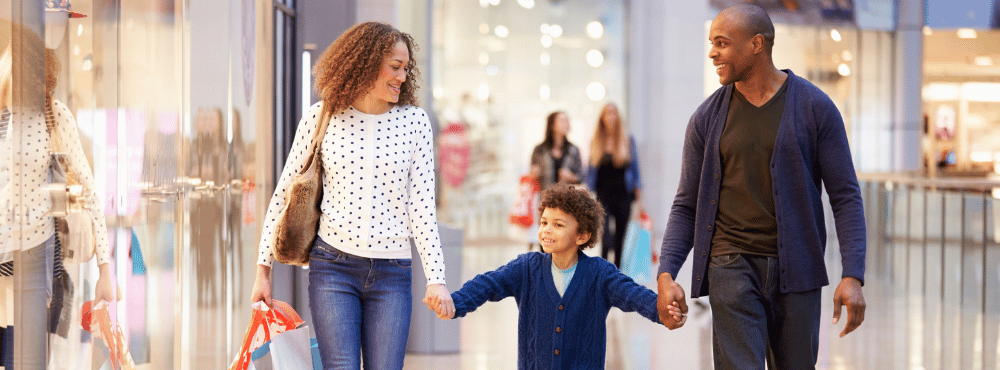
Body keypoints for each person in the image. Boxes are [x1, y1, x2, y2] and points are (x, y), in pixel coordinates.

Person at [655, 4, 867, 369]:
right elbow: (687, 204)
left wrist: (853, 275)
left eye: (722, 43)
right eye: (711, 43)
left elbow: (845, 196)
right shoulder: (706, 119)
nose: (712, 53)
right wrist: (666, 272)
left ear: (756, 44)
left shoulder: (815, 107)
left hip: (798, 268)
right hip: (730, 263)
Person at [250, 22, 454, 369]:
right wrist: (263, 271)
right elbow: (284, 193)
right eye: (394, 66)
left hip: (393, 271)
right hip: (333, 268)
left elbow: (421, 206)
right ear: (365, 62)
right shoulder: (321, 116)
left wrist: (437, 279)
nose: (402, 76)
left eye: (406, 68)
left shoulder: (415, 122)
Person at [429, 184, 674, 369]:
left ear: (582, 236)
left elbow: (634, 295)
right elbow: (488, 283)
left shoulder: (600, 274)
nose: (546, 229)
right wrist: (455, 302)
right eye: (544, 222)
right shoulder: (527, 268)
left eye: (558, 225)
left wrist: (664, 310)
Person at [0, 22, 113, 369]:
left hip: (34, 262)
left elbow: (90, 191)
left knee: (27, 360)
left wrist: (105, 270)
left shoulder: (52, 113)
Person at [587, 102, 643, 268]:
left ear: (618, 117)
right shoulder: (596, 141)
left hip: (623, 194)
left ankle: (617, 272)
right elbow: (590, 171)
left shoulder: (627, 140)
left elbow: (636, 171)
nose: (611, 116)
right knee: (605, 236)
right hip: (603, 195)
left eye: (613, 113)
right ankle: (603, 270)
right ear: (602, 118)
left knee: (620, 237)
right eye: (607, 113)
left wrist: (640, 201)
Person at [526, 111, 583, 250]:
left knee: (565, 240)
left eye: (567, 121)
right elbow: (531, 175)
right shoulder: (539, 150)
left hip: (567, 203)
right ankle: (545, 270)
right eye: (562, 120)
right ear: (552, 125)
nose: (566, 124)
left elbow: (582, 176)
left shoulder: (573, 150)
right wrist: (534, 173)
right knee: (545, 240)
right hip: (545, 202)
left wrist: (571, 176)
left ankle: (562, 269)